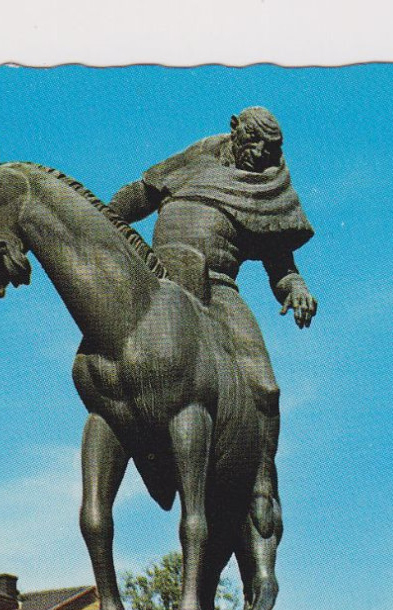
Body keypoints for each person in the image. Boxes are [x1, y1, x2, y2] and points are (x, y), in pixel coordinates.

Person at [107, 107, 316, 474]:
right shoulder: (198, 157)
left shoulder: (267, 188)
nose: (258, 154)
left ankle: (263, 479)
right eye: (252, 142)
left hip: (217, 288)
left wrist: (296, 288)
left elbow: (281, 268)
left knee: (265, 388)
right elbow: (139, 196)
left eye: (267, 149)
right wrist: (103, 221)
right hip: (155, 279)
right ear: (234, 129)